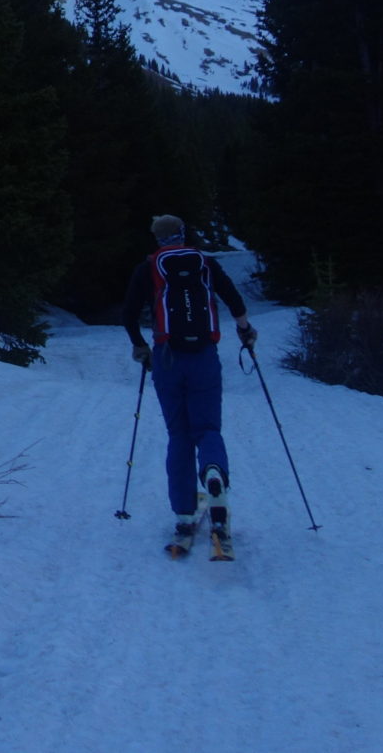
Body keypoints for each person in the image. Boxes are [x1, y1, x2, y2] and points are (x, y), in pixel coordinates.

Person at [123, 213, 255, 551]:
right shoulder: (205, 263)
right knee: (208, 429)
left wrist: (140, 346)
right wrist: (244, 331)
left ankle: (183, 515)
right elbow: (233, 300)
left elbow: (129, 313)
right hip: (204, 356)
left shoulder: (149, 267)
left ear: (157, 239)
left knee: (179, 434)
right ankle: (213, 473)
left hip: (167, 356)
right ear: (183, 234)